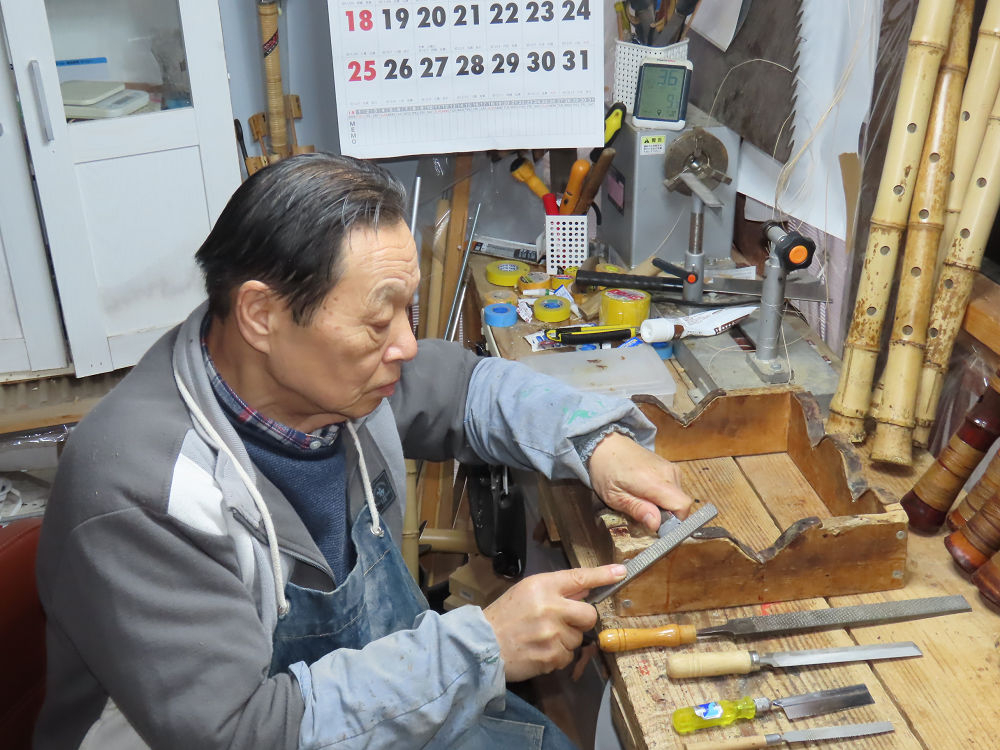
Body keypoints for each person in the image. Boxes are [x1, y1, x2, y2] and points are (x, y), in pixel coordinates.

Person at [34, 153, 694, 749]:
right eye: (379, 322)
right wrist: (482, 647)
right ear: (261, 315)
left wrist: (595, 442)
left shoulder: (332, 383)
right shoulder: (141, 491)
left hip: (383, 710)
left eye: (407, 312)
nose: (405, 346)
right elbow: (239, 733)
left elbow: (465, 387)